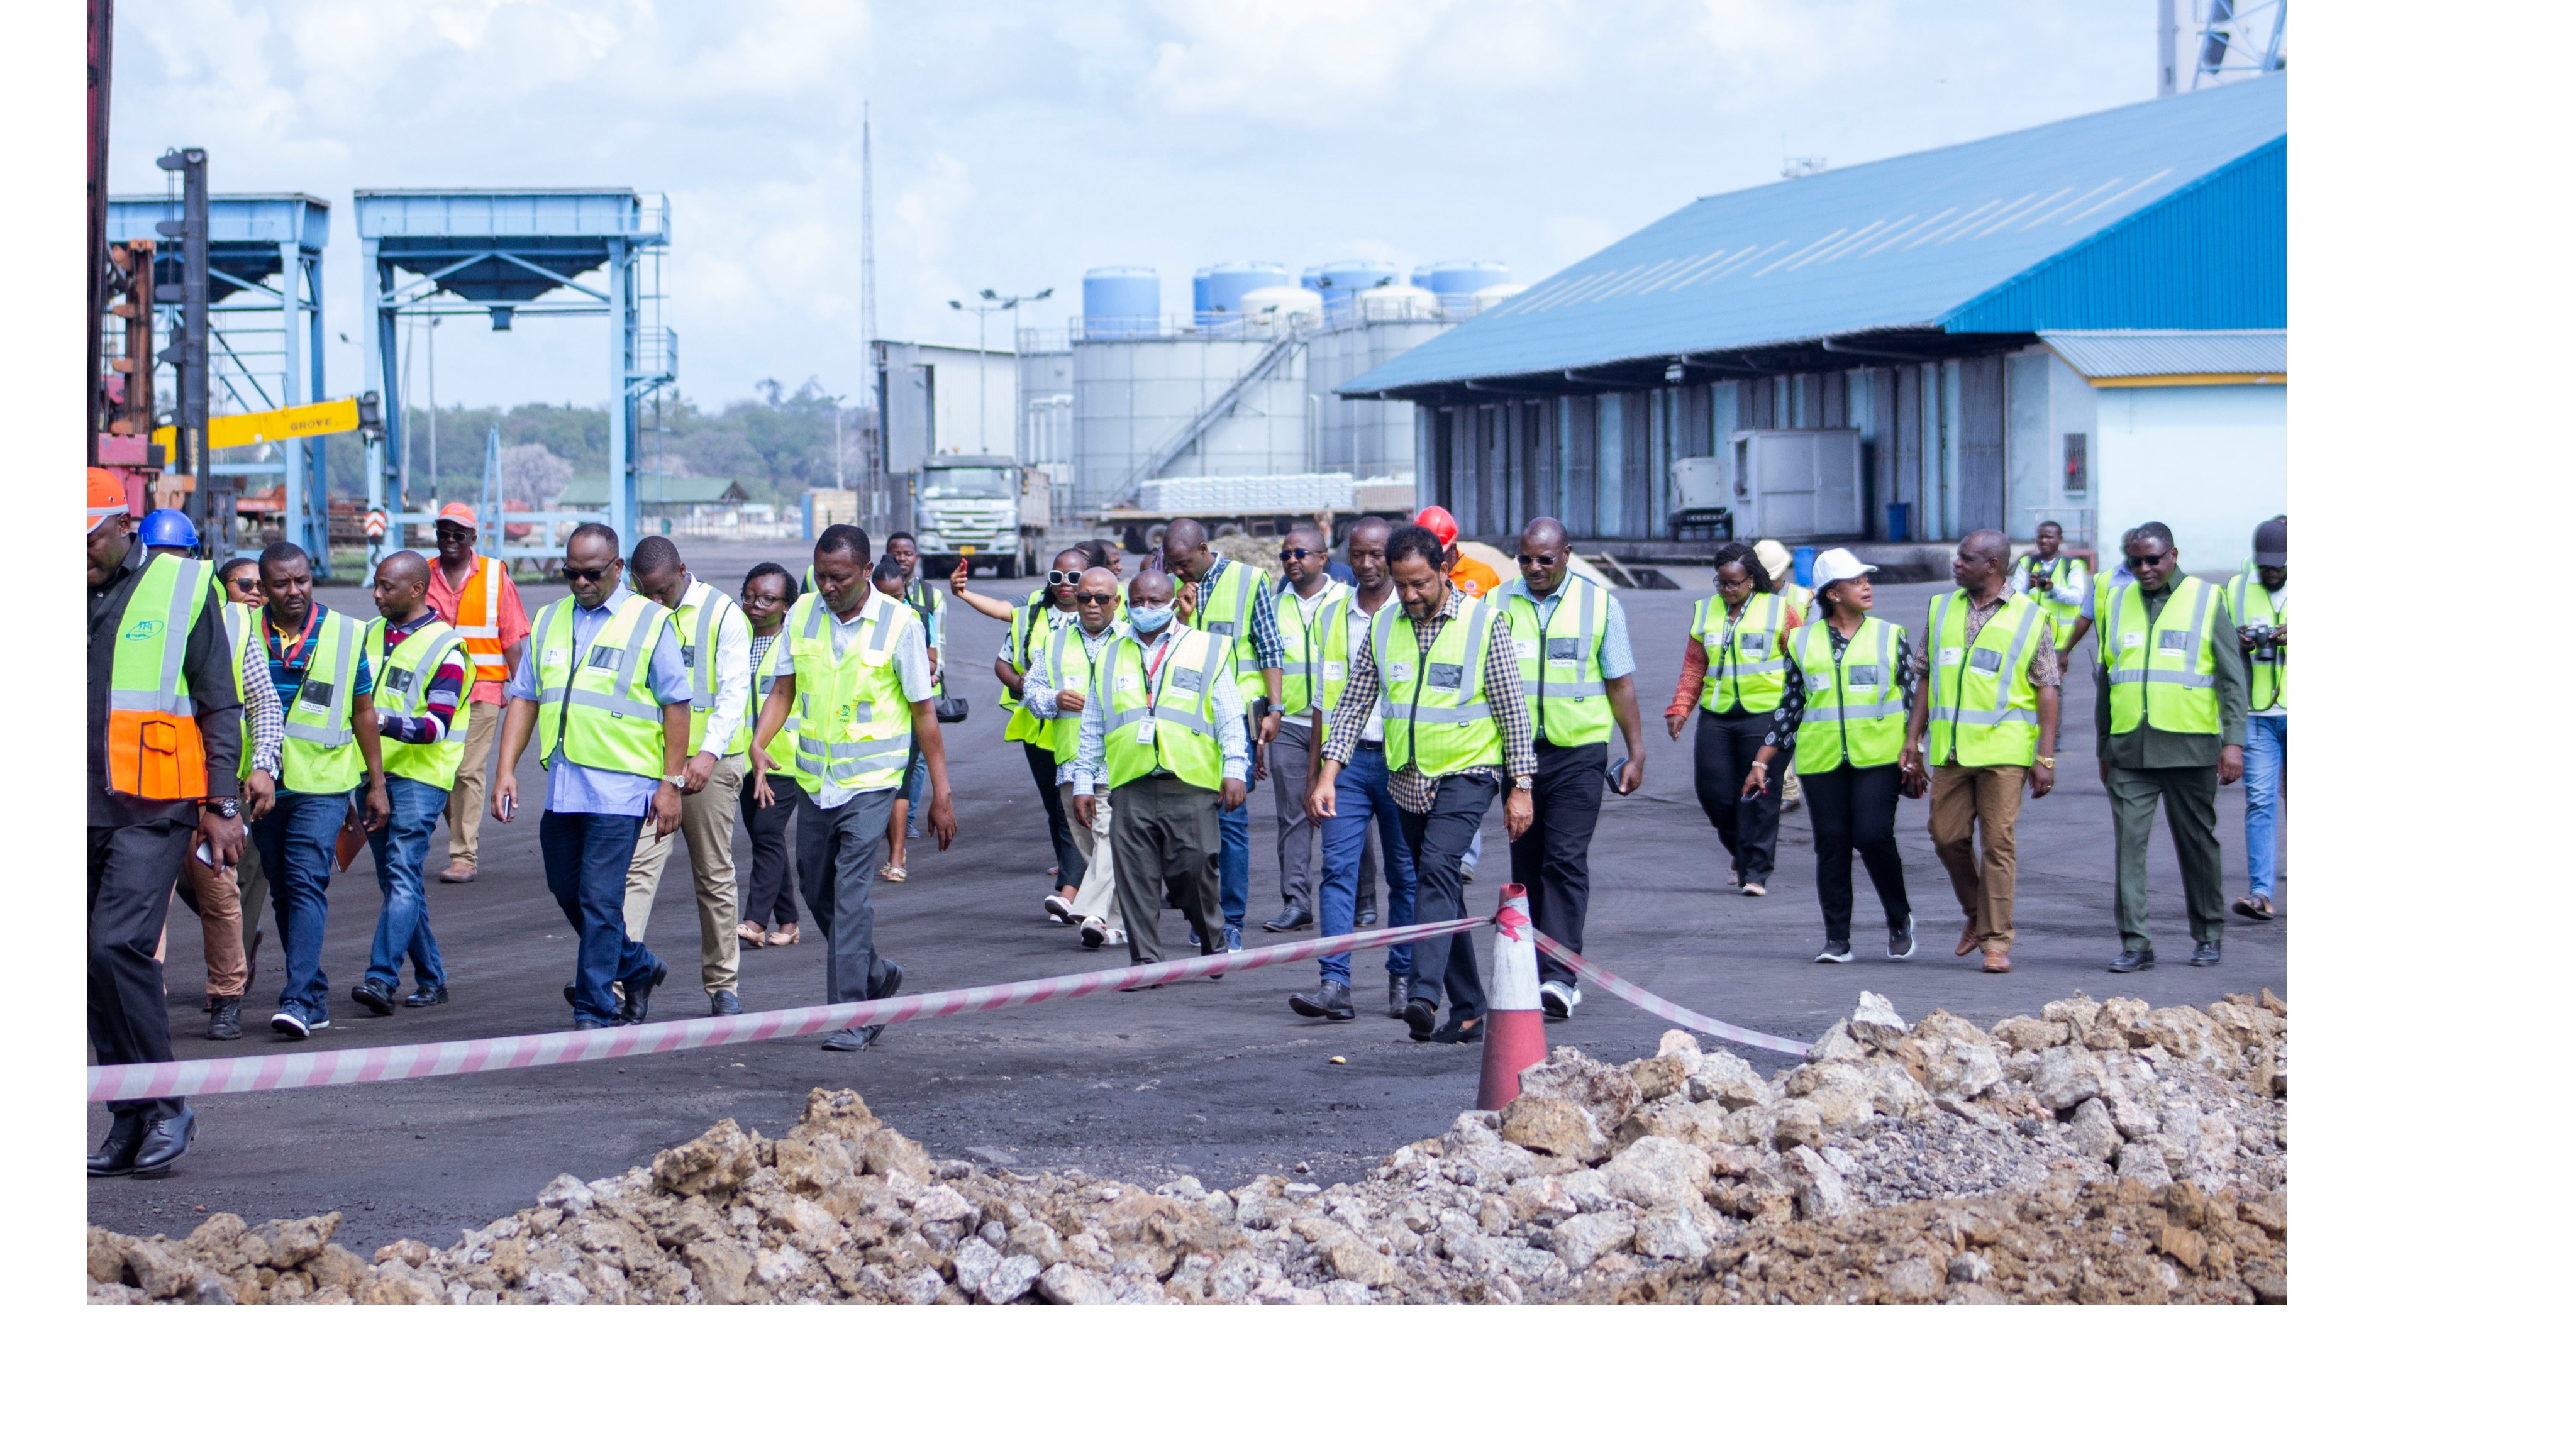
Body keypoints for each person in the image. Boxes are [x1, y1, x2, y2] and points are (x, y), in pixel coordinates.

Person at [1307, 524, 1533, 1038]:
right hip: (1407, 778)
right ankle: (1472, 1006)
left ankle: (1424, 993)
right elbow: (1353, 705)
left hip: (1469, 772)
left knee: (1435, 865)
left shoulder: (1484, 623)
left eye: (1421, 584)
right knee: (1443, 888)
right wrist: (1328, 775)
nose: (1411, 595)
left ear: (1444, 572)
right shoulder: (1385, 627)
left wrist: (1521, 785)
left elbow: (1513, 710)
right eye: (1402, 584)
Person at [88, 469, 245, 1178]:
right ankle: (127, 1112)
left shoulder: (184, 587)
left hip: (154, 805)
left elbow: (220, 702)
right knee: (88, 963)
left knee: (119, 942)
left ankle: (167, 1101)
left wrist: (221, 803)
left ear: (125, 526)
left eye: (88, 542)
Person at [749, 524, 957, 1051]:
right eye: (819, 575)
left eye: (838, 577)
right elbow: (784, 688)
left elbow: (923, 713)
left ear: (867, 571)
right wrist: (759, 741)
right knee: (815, 884)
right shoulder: (801, 615)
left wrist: (942, 791)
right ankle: (877, 973)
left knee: (850, 894)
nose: (827, 586)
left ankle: (854, 1015)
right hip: (817, 781)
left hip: (872, 784)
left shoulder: (900, 624)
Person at [489, 523, 689, 1029]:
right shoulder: (551, 618)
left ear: (618, 568)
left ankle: (594, 1008)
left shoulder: (650, 622)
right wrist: (506, 769)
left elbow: (677, 706)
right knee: (567, 888)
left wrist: (671, 784)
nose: (580, 583)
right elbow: (526, 697)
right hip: (565, 782)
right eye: (571, 573)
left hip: (622, 786)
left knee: (601, 898)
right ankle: (639, 965)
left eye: (592, 573)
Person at [1497, 517, 1645, 1020]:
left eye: (1545, 558)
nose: (1534, 568)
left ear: (1567, 555)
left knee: (1564, 859)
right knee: (1528, 865)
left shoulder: (1601, 604)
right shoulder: (1498, 604)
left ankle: (1560, 978)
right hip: (1517, 755)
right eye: (1525, 558)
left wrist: (1637, 748)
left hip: (1579, 753)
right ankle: (1535, 966)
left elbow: (1620, 682)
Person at [1069, 570, 1251, 972]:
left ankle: (1212, 940)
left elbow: (1229, 717)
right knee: (1134, 876)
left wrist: (1236, 768)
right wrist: (1084, 781)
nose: (1145, 610)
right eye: (1137, 602)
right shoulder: (1110, 653)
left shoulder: (1207, 648)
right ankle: (1147, 961)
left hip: (1190, 782)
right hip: (1130, 783)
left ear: (1172, 601)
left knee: (1196, 869)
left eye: (1154, 602)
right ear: (1125, 604)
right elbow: (1094, 726)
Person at [1899, 529, 2061, 975]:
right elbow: (1926, 678)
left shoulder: (2032, 618)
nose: (1956, 564)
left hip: (2005, 751)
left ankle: (1996, 941)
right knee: (1945, 836)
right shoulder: (1941, 608)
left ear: (1992, 565)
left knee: (1999, 844)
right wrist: (1912, 739)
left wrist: (2045, 757)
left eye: (1966, 559)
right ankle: (1976, 912)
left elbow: (2048, 689)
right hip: (1950, 750)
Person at [1745, 548, 1917, 963]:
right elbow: (1790, 707)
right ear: (1832, 593)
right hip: (1822, 762)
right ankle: (1837, 939)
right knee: (1832, 844)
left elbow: (1914, 702)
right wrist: (1761, 761)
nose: (1866, 586)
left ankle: (1899, 917)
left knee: (1873, 835)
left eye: (1865, 579)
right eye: (1856, 581)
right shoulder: (1802, 641)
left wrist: (1917, 753)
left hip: (1879, 756)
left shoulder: (1890, 635)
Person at [145, 520, 280, 1042]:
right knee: (143, 900)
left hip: (208, 788)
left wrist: (262, 764)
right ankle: (142, 1002)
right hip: (144, 788)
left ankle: (227, 996)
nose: (166, 566)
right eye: (157, 554)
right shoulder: (128, 614)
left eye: (177, 555)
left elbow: (261, 701)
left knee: (221, 894)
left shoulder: (233, 623)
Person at [252, 541, 392, 1037]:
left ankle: (295, 999)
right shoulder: (243, 631)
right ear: (263, 587)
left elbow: (363, 713)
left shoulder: (345, 633)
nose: (295, 591)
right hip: (265, 785)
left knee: (306, 877)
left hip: (325, 783)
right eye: (282, 583)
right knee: (284, 890)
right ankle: (313, 994)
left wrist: (376, 784)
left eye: (303, 580)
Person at [2098, 521, 2248, 973]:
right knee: (2129, 848)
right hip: (2130, 751)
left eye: (2153, 559)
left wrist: (2233, 742)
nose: (2143, 568)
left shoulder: (2206, 599)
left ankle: (2207, 934)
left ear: (2174, 555)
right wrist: (2104, 744)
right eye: (2134, 560)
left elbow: (2231, 679)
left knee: (2197, 845)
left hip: (2191, 748)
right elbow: (2108, 677)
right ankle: (2136, 943)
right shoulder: (2117, 601)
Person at [620, 537, 755, 1015]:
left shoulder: (723, 615)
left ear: (683, 569)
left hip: (709, 765)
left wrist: (707, 754)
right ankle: (621, 981)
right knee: (636, 872)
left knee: (714, 873)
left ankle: (723, 986)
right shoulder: (633, 613)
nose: (656, 601)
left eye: (663, 590)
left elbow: (735, 693)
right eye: (645, 591)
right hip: (653, 766)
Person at [1294, 517, 1414, 1017]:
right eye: (1358, 554)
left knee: (1405, 875)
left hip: (1401, 764)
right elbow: (1323, 701)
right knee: (1337, 871)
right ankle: (1335, 985)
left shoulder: (1412, 609)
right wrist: (1315, 775)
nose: (1366, 564)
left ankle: (1405, 979)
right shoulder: (1333, 614)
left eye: (1377, 554)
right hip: (1344, 767)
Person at [1160, 518, 1284, 953]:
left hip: (1238, 719)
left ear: (1203, 549)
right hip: (1186, 720)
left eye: (1182, 563)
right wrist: (1181, 616)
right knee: (1190, 824)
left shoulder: (1249, 581)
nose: (1177, 572)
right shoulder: (1170, 587)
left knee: (1231, 822)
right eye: (1170, 564)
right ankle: (1200, 912)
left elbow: (1270, 647)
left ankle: (1229, 921)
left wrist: (1275, 708)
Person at [356, 551, 471, 1013]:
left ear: (416, 590)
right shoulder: (370, 634)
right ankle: (432, 978)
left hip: (420, 779)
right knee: (398, 882)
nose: (376, 594)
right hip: (373, 775)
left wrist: (375, 719)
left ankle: (380, 978)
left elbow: (436, 726)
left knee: (402, 876)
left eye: (386, 586)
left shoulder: (448, 649)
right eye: (377, 585)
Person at [1667, 541, 1803, 895]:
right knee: (1713, 793)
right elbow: (1695, 664)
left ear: (1753, 580)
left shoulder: (1780, 612)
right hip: (1718, 715)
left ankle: (1755, 872)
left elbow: (1804, 662)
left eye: (1735, 584)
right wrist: (1681, 708)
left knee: (1760, 795)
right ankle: (1742, 852)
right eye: (1721, 583)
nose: (1727, 590)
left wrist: (1802, 711)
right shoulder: (1706, 611)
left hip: (1767, 717)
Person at [1023, 565, 1130, 948]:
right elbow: (1030, 692)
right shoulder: (1054, 642)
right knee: (1092, 846)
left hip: (1119, 761)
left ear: (1117, 602)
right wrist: (1053, 699)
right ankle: (1115, 925)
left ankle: (1092, 912)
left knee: (1110, 839)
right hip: (1070, 762)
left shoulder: (1132, 640)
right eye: (1085, 597)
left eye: (1102, 598)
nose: (1092, 605)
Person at [426, 502, 531, 885]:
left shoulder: (494, 576)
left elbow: (512, 637)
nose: (450, 540)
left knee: (467, 770)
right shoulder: (422, 575)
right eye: (444, 532)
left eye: (459, 534)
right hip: (432, 692)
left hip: (482, 689)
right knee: (444, 771)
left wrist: (523, 694)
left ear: (473, 538)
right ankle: (462, 837)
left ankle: (464, 856)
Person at [1262, 525, 1350, 933]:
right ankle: (1297, 901)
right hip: (1292, 725)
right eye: (1285, 555)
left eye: (1300, 553)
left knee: (1346, 815)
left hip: (1341, 725)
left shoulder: (1349, 601)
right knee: (1294, 815)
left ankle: (1363, 899)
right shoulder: (1274, 606)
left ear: (1323, 558)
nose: (1292, 560)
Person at [996, 549, 1092, 919]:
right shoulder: (1034, 615)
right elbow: (1002, 662)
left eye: (1075, 579)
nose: (1065, 586)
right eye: (1057, 578)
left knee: (1072, 807)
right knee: (1056, 810)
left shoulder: (1104, 617)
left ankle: (1069, 890)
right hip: (1038, 730)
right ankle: (1076, 882)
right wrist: (1023, 683)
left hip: (1082, 731)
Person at [736, 563, 803, 950]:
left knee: (766, 833)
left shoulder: (795, 646)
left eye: (767, 599)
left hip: (783, 761)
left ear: (787, 606)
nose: (755, 605)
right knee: (768, 838)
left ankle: (755, 921)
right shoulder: (735, 641)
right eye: (748, 596)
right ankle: (790, 921)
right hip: (743, 762)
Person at [2229, 517, 2288, 924]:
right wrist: (2235, 638)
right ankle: (2261, 894)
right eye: (2264, 563)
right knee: (2261, 802)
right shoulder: (2235, 588)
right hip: (2256, 714)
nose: (2270, 571)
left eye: (2278, 564)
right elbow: (2215, 641)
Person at [873, 556, 936, 882]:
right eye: (883, 597)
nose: (891, 605)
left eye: (896, 598)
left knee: (899, 784)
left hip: (904, 720)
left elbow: (931, 662)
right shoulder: (858, 622)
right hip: (864, 724)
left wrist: (928, 674)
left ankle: (896, 855)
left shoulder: (916, 620)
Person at [1753, 539, 1814, 812]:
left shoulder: (1804, 599)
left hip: (1795, 680)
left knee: (1782, 734)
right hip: (1765, 682)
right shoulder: (1751, 600)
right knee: (1775, 735)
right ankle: (1782, 787)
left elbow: (1815, 640)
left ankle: (1788, 790)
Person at [2057, 527, 2138, 673]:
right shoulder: (2106, 580)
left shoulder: (2158, 578)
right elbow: (2086, 617)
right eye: (2130, 547)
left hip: (2145, 660)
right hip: (2112, 661)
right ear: (2122, 549)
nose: (2134, 551)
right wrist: (2065, 652)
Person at [2012, 520, 2090, 664]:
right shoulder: (2026, 563)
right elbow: (2013, 597)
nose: (2044, 541)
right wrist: (2027, 586)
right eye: (2040, 537)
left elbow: (2077, 598)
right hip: (2030, 637)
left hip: (2060, 641)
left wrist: (2053, 588)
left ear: (2060, 539)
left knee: (2052, 684)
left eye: (2049, 537)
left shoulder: (2073, 565)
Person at [1414, 505, 1504, 599]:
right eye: (1425, 555)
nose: (1432, 561)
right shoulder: (1409, 579)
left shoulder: (1484, 576)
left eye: (1438, 555)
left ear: (1453, 548)